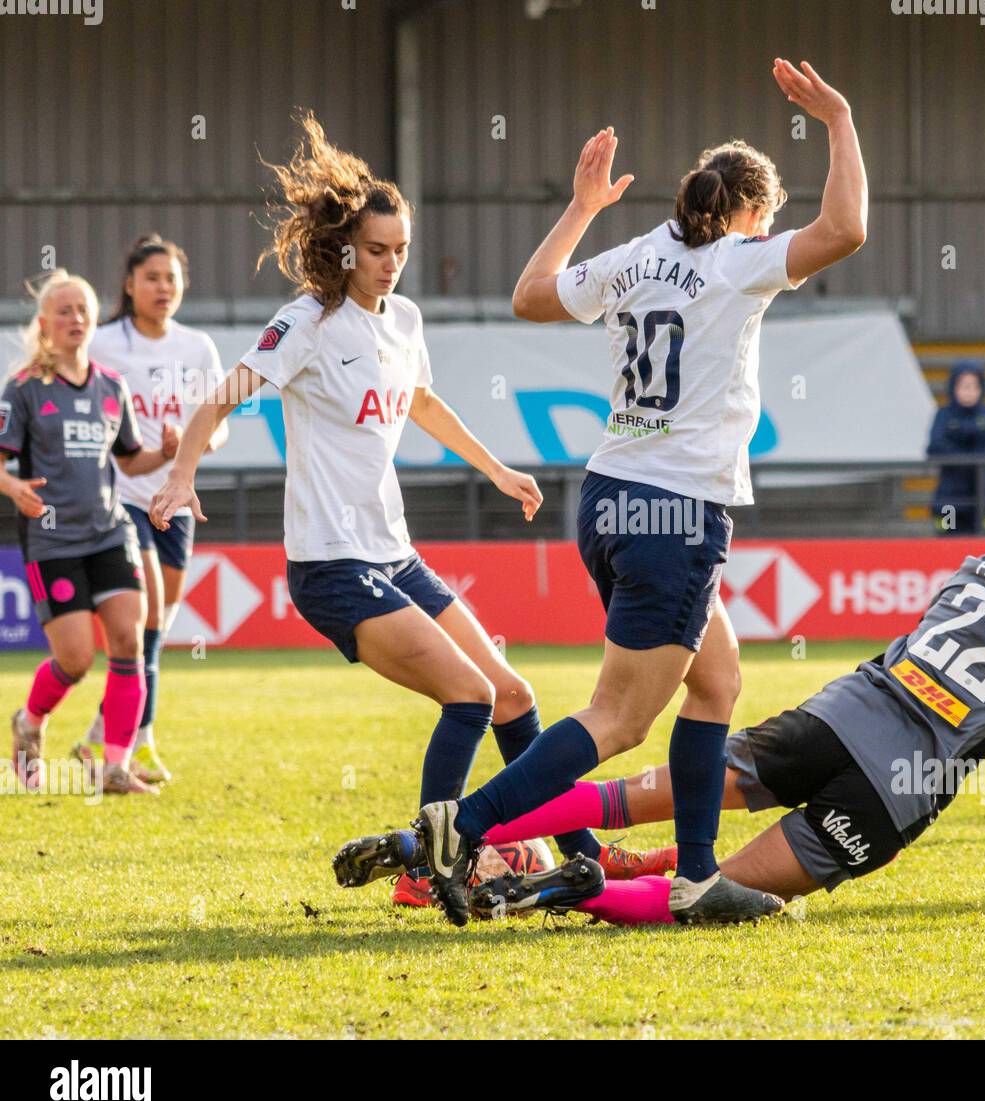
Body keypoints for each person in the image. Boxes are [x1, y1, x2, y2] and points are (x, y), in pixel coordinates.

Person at [334, 440, 985, 923]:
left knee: (635, 797)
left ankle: (457, 833)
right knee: (726, 898)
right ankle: (554, 895)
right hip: (888, 790)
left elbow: (933, 669)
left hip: (832, 718)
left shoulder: (977, 573)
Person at [345, 57, 870, 927]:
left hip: (611, 499)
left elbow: (528, 298)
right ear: (751, 213)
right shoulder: (741, 260)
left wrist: (583, 210)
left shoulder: (636, 256)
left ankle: (696, 876)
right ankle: (459, 830)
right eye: (766, 218)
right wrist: (841, 120)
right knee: (619, 718)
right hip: (678, 511)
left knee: (719, 681)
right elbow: (847, 229)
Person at [149, 114, 672, 906]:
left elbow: (421, 400)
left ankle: (584, 852)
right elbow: (221, 395)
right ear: (345, 250)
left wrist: (496, 468)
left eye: (401, 251)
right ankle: (429, 871)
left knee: (514, 696)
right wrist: (183, 473)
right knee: (468, 696)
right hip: (331, 564)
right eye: (376, 250)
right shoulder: (309, 321)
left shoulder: (405, 320)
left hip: (394, 555)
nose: (391, 265)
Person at [2, 271, 181, 795]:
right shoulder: (25, 388)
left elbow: (129, 457)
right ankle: (29, 723)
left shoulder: (111, 387)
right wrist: (14, 490)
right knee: (76, 659)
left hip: (109, 531)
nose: (75, 319)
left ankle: (115, 767)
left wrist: (166, 453)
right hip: (52, 540)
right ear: (44, 324)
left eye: (83, 310)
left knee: (129, 639)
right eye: (64, 311)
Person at [72, 234, 229, 784]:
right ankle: (138, 741)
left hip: (176, 495)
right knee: (148, 614)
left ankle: (103, 732)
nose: (163, 287)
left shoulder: (197, 348)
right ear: (129, 284)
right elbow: (74, 393)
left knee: (157, 625)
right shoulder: (104, 343)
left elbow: (220, 426)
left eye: (171, 279)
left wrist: (188, 441)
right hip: (120, 496)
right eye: (152, 277)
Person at [927, 359, 985, 534]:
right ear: (954, 387)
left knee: (981, 549)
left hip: (984, 499)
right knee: (948, 548)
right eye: (964, 386)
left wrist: (976, 455)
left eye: (974, 386)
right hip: (949, 500)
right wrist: (966, 456)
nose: (969, 391)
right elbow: (934, 447)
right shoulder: (943, 415)